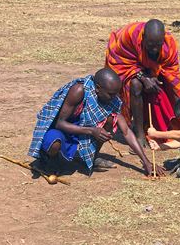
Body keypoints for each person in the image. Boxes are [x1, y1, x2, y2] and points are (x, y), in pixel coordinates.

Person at [27, 68, 164, 176]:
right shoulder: (79, 91)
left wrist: (146, 162)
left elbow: (126, 131)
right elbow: (60, 123)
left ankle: (90, 157)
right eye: (111, 94)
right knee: (54, 144)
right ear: (98, 88)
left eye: (116, 93)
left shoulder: (112, 100)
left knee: (110, 120)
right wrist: (91, 131)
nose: (114, 97)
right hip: (61, 131)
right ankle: (50, 161)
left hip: (81, 132)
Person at [105, 19, 180, 146]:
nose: (154, 49)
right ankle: (139, 133)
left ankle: (163, 123)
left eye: (157, 45)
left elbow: (172, 74)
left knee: (170, 88)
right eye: (150, 44)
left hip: (155, 71)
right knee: (136, 85)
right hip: (130, 68)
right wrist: (143, 77)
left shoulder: (169, 45)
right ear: (143, 38)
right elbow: (118, 63)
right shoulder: (128, 36)